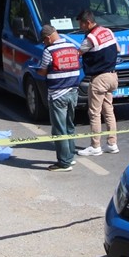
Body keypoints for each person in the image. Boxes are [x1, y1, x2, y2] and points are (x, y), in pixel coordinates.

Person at [35, 24, 82, 171]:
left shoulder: (49, 51)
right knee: (69, 126)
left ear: (48, 38)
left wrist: (36, 70)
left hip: (58, 94)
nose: (44, 43)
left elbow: (42, 72)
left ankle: (64, 163)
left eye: (44, 40)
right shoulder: (72, 46)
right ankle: (70, 157)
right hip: (73, 92)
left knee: (59, 129)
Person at [76, 9, 119, 156]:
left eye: (81, 24)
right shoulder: (107, 31)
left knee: (94, 113)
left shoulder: (90, 38)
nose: (80, 27)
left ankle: (95, 146)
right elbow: (117, 48)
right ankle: (112, 144)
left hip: (99, 78)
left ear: (88, 23)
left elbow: (78, 53)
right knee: (109, 111)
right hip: (113, 76)